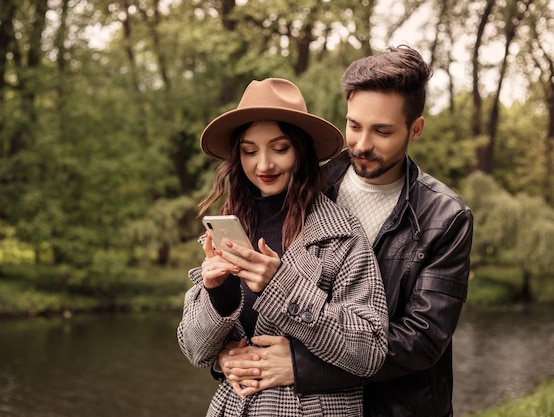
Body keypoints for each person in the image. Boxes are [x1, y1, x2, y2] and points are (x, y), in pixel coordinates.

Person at [216, 46, 474, 417]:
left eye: (382, 131)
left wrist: (304, 367)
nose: (363, 144)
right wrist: (229, 355)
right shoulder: (305, 185)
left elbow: (423, 338)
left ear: (415, 129)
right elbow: (259, 302)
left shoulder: (446, 217)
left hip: (397, 407)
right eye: (354, 126)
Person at [177, 77, 389, 417]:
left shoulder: (341, 234)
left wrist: (281, 285)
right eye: (249, 151)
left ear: (301, 151)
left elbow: (370, 351)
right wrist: (219, 294)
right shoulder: (229, 231)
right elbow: (194, 350)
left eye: (279, 148)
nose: (263, 165)